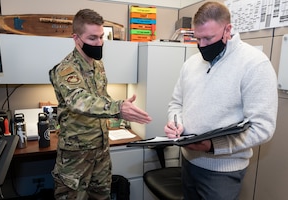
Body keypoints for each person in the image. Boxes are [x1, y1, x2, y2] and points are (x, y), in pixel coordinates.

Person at [164, 2, 278, 200]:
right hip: (188, 163)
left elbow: (262, 127)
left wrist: (214, 145)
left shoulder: (255, 64)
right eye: (197, 38)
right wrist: (176, 124)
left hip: (223, 172)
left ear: (228, 29)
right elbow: (176, 104)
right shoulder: (191, 64)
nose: (202, 45)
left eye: (208, 38)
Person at [49, 9, 152, 200]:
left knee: (102, 196)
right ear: (76, 38)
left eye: (101, 37)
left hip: (101, 151)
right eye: (93, 38)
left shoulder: (97, 65)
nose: (99, 43)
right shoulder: (65, 69)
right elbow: (79, 101)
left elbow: (101, 97)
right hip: (76, 156)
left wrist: (118, 108)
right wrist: (118, 108)